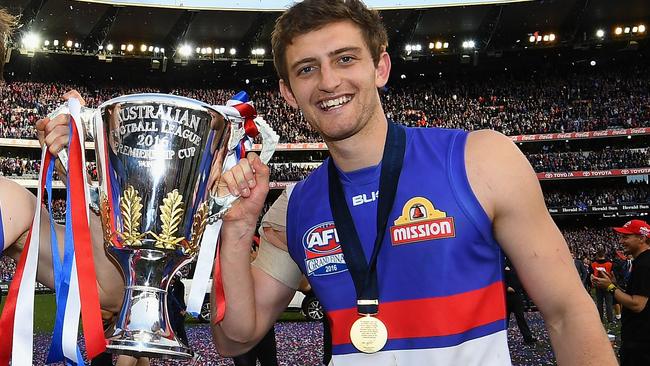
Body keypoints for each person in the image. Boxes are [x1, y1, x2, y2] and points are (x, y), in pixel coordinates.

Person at [211, 0, 617, 364]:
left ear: (381, 67)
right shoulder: (295, 205)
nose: (328, 81)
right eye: (306, 69)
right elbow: (235, 339)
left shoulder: (482, 160)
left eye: (346, 58)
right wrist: (236, 229)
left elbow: (567, 312)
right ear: (287, 91)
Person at [593, 219, 650, 366]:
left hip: (641, 340)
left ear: (642, 238)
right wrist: (614, 285)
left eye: (626, 237)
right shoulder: (642, 261)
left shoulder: (644, 264)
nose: (621, 241)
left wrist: (610, 288)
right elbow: (638, 295)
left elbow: (637, 304)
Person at [504, 261, 537, 344]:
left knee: (520, 318)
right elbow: (500, 280)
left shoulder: (519, 269)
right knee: (505, 320)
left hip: (517, 297)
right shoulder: (504, 265)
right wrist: (506, 287)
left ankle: (528, 338)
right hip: (507, 297)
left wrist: (528, 303)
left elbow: (523, 286)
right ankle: (500, 339)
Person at [591, 249, 615, 323]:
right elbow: (612, 274)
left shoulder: (593, 264)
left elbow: (591, 275)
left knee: (599, 303)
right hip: (607, 285)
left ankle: (600, 319)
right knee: (609, 303)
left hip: (598, 285)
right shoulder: (610, 264)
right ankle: (610, 320)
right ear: (604, 255)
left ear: (597, 255)